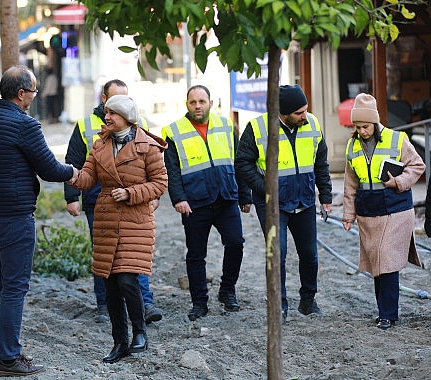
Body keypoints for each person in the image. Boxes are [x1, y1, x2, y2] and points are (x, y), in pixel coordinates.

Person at [0, 65, 77, 376]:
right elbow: (49, 169)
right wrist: (73, 172)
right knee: (13, 288)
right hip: (15, 218)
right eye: (33, 92)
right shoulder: (25, 125)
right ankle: (8, 358)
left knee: (1, 285)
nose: (34, 98)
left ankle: (4, 353)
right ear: (21, 94)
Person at [69, 95, 168, 363]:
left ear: (126, 116)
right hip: (107, 219)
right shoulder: (100, 145)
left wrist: (132, 193)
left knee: (127, 280)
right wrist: (70, 174)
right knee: (110, 284)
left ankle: (140, 332)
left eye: (112, 113)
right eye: (106, 113)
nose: (107, 117)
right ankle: (119, 342)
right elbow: (88, 178)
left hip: (135, 219)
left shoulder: (148, 146)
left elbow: (160, 183)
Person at [235, 84, 332, 324]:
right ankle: (280, 306)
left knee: (310, 255)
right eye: (299, 112)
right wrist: (265, 188)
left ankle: (308, 300)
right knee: (277, 255)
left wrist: (326, 196)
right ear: (284, 112)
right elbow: (243, 163)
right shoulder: (258, 128)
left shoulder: (313, 124)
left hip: (305, 200)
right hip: (273, 205)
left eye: (306, 110)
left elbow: (321, 163)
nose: (305, 116)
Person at [162, 85, 252, 321]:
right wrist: (178, 198)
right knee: (195, 255)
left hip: (225, 197)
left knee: (235, 243)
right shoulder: (174, 131)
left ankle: (227, 290)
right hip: (194, 202)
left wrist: (245, 195)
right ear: (187, 105)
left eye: (202, 101)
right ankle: (199, 302)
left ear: (211, 103)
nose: (198, 106)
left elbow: (239, 162)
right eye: (193, 102)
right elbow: (171, 170)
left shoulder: (225, 125)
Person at [342, 93, 425, 329]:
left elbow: (418, 165)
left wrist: (398, 182)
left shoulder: (397, 139)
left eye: (365, 126)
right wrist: (348, 214)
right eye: (357, 127)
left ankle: (388, 314)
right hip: (368, 212)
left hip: (396, 209)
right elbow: (350, 184)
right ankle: (384, 312)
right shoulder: (352, 145)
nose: (361, 131)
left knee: (386, 259)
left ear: (375, 122)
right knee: (377, 263)